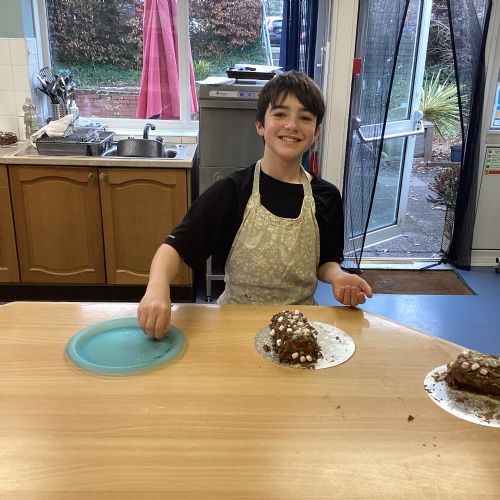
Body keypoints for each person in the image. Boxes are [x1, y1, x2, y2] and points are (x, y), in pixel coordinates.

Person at [138, 70, 373, 340]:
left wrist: (338, 276)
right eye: (280, 114)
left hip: (298, 330)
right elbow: (173, 248)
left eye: (305, 117)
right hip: (235, 328)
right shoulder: (232, 192)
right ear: (260, 124)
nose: (292, 125)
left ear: (316, 132)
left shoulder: (327, 196)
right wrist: (156, 289)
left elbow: (325, 262)